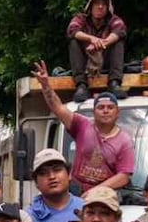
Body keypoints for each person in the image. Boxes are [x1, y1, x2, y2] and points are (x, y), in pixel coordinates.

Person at [32, 61, 135, 194]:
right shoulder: (83, 125)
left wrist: (95, 192)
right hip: (75, 192)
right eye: (100, 107)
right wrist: (46, 85)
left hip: (106, 196)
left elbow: (124, 176)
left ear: (117, 113)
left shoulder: (124, 141)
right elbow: (57, 107)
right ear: (94, 112)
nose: (105, 111)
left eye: (110, 107)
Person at [67, 0, 128, 102]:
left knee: (118, 41)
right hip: (87, 62)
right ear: (91, 6)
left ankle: (114, 82)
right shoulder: (81, 18)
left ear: (108, 7)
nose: (100, 7)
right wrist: (91, 39)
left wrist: (99, 44)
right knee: (73, 41)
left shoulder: (113, 19)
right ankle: (81, 85)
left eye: (103, 4)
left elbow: (120, 30)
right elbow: (72, 30)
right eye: (97, 4)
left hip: (106, 60)